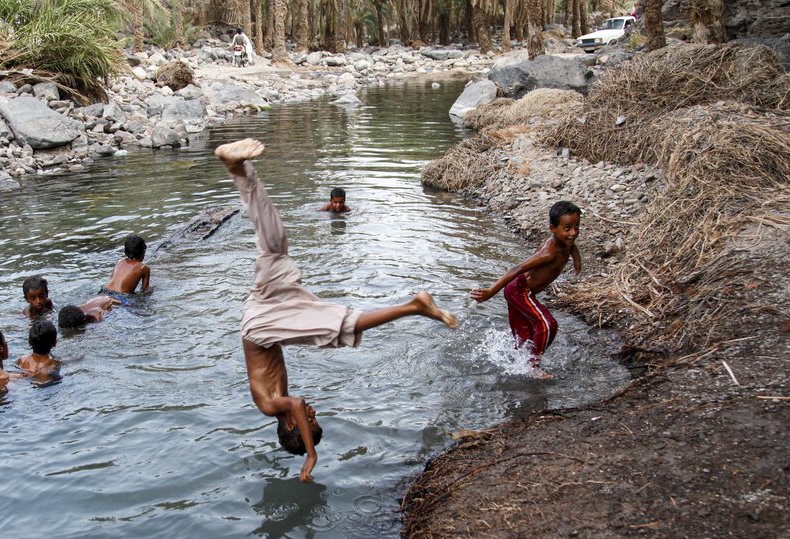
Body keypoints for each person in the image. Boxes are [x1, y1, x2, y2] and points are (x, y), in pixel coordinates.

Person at [215, 138, 457, 483]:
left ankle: (413, 306)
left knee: (332, 328)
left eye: (310, 422)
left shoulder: (272, 406)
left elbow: (296, 404)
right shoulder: (277, 401)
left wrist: (311, 456)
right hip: (262, 314)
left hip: (259, 325)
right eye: (313, 419)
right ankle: (239, 170)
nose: (311, 412)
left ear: (290, 426)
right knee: (275, 247)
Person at [470, 201, 582, 379]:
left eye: (576, 227)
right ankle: (532, 366)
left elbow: (571, 245)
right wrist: (491, 291)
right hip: (519, 290)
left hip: (519, 292)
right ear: (553, 228)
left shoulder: (566, 241)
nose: (573, 233)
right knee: (547, 324)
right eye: (567, 228)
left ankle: (519, 362)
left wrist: (577, 259)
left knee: (525, 337)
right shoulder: (548, 252)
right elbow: (516, 269)